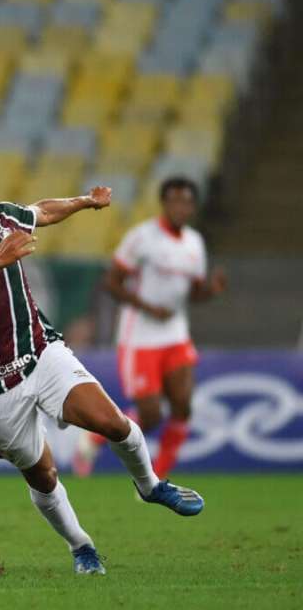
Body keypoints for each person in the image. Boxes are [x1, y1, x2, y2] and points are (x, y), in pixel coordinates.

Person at [0, 146, 204, 575]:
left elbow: (42, 212)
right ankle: (80, 545)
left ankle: (150, 485)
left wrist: (85, 202)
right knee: (44, 475)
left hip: (40, 353)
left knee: (113, 424)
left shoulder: (1, 217)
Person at [73, 177, 226, 478]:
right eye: (175, 201)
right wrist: (147, 307)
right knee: (151, 416)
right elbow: (111, 281)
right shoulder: (142, 238)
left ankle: (158, 479)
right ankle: (92, 439)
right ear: (164, 203)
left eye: (186, 202)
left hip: (175, 335)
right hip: (140, 338)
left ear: (193, 207)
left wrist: (211, 290)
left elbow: (192, 292)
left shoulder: (195, 243)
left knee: (183, 407)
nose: (181, 207)